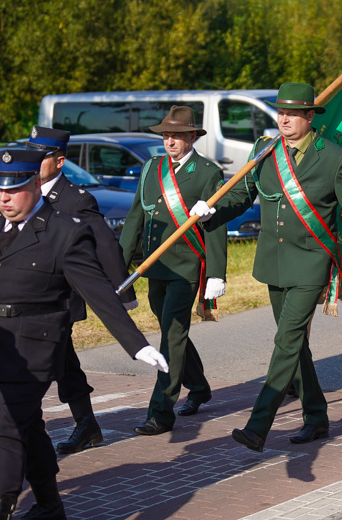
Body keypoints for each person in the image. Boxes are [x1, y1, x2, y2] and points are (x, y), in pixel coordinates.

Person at [0, 148, 168, 520]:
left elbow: (97, 290)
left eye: (13, 189)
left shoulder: (65, 230)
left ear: (34, 183)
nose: (4, 198)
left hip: (35, 348)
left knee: (5, 427)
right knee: (27, 428)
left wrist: (137, 345)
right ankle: (50, 505)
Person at [191, 82, 342, 452]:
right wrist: (213, 211)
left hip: (310, 264)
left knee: (286, 341)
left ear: (310, 116)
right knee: (295, 348)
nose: (284, 118)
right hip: (273, 264)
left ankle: (259, 425)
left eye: (293, 113)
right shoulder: (265, 151)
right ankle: (317, 415)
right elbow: (243, 195)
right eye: (280, 112)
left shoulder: (334, 157)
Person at [0, 127, 137, 461]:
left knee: (51, 363)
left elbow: (104, 244)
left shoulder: (76, 198)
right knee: (55, 362)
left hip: (57, 298)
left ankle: (20, 430)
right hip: (17, 296)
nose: (33, 159)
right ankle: (63, 425)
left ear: (59, 162)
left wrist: (122, 293)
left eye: (41, 155)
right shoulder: (21, 187)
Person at [119, 106, 228, 436]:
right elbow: (136, 218)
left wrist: (216, 274)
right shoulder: (152, 168)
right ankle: (198, 385)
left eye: (178, 136)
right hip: (156, 266)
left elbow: (215, 226)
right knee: (173, 330)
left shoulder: (207, 172)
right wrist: (118, 266)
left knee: (172, 334)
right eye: (166, 135)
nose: (170, 141)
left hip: (185, 267)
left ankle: (161, 411)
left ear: (192, 137)